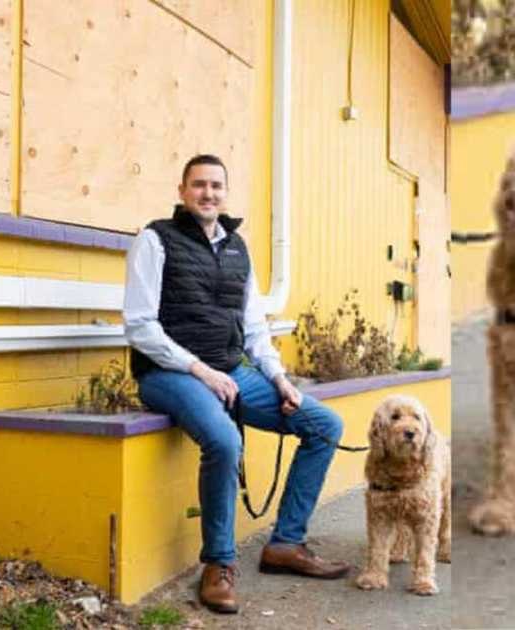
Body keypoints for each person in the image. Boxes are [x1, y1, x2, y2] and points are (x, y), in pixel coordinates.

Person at [124, 154, 351, 615]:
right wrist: (199, 370)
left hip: (232, 369)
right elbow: (140, 325)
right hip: (168, 373)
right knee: (225, 442)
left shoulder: (237, 247)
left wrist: (280, 380)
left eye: (217, 186)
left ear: (226, 193)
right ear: (183, 191)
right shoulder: (154, 239)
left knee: (324, 424)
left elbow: (254, 328)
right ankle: (219, 566)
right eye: (199, 185)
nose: (208, 194)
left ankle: (286, 544)